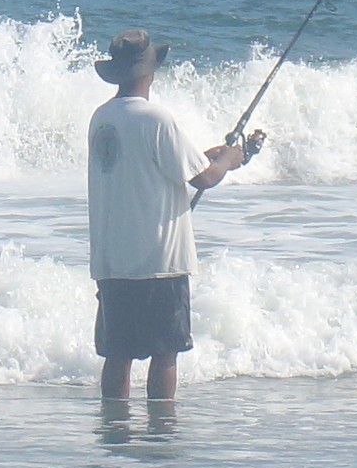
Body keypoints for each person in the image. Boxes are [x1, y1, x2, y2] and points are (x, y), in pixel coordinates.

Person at [87, 29, 250, 401]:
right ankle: (161, 433)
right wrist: (230, 158)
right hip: (159, 260)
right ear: (149, 71)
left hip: (113, 260)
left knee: (117, 355)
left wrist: (210, 158)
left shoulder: (101, 119)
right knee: (165, 354)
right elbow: (204, 177)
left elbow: (150, 165)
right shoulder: (156, 118)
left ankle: (115, 435)